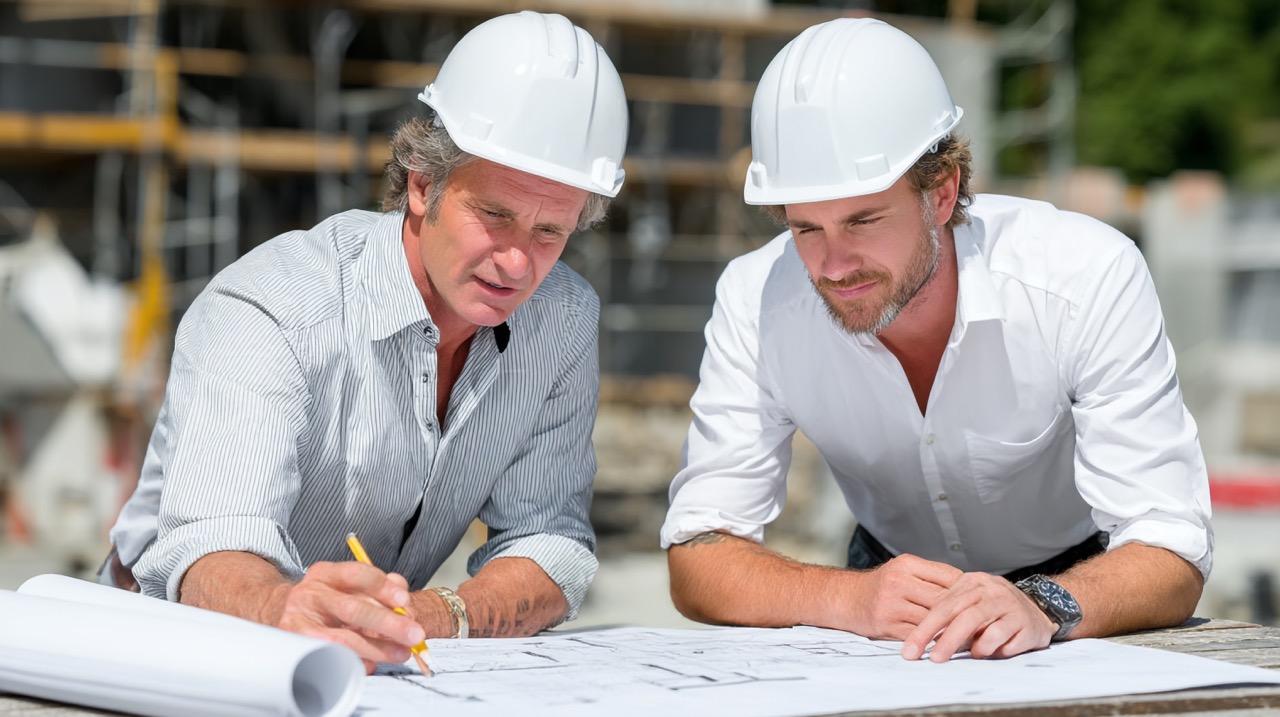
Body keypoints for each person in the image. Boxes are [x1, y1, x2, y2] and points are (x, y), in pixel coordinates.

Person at [662, 18, 1211, 663]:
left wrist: (1041, 604)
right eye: (805, 229)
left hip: (1080, 590)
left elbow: (1172, 546)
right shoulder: (756, 300)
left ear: (942, 193)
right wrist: (849, 599)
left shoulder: (1085, 276)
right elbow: (699, 552)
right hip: (884, 595)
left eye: (863, 220)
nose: (833, 265)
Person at [104, 10, 628, 673]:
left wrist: (433, 614)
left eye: (550, 231)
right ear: (421, 183)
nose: (518, 263)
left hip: (369, 665)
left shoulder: (564, 320)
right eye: (495, 216)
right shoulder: (272, 305)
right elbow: (212, 544)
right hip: (156, 655)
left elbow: (548, 539)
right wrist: (289, 609)